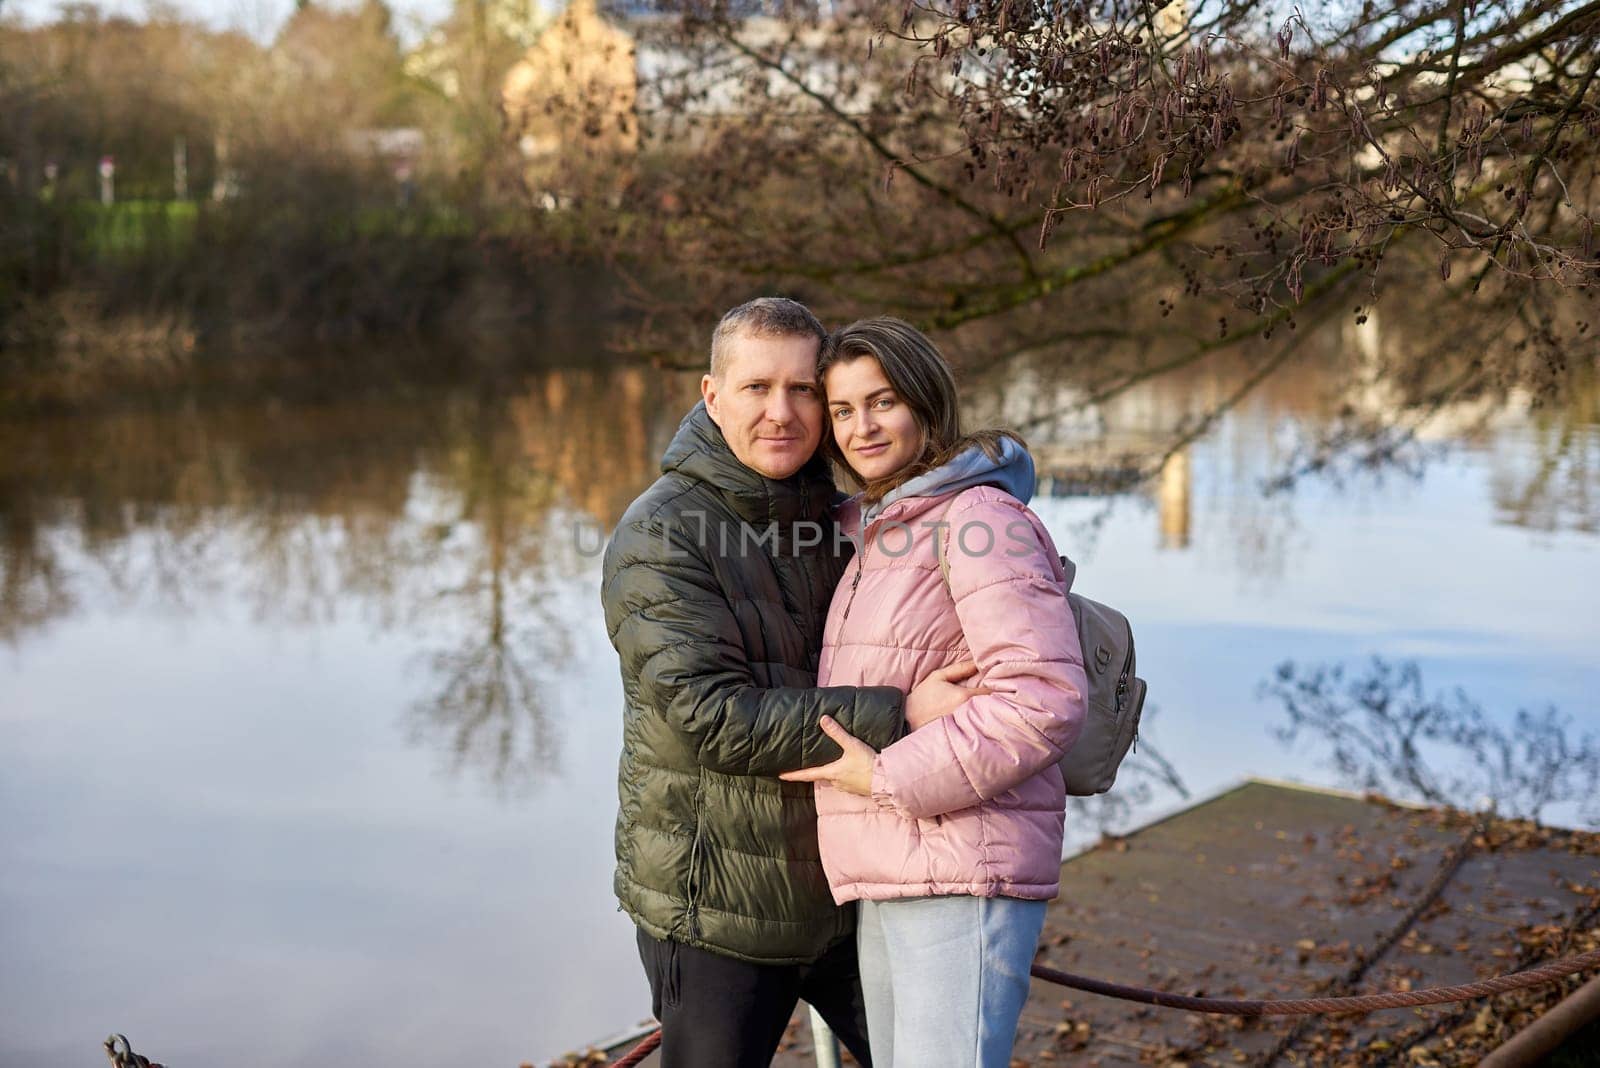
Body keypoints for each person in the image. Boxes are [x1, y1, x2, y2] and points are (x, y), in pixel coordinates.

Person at [601, 298, 986, 1068]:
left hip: (855, 887)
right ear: (712, 395)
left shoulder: (852, 514)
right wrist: (904, 714)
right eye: (756, 388)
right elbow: (710, 716)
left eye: (804, 389)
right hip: (719, 907)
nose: (782, 412)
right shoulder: (661, 532)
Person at [780, 317, 1089, 1068]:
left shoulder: (979, 516)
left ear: (925, 401)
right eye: (844, 410)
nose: (862, 427)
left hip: (960, 863)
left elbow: (1044, 697)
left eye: (881, 402)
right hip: (897, 862)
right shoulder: (879, 531)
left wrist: (886, 776)